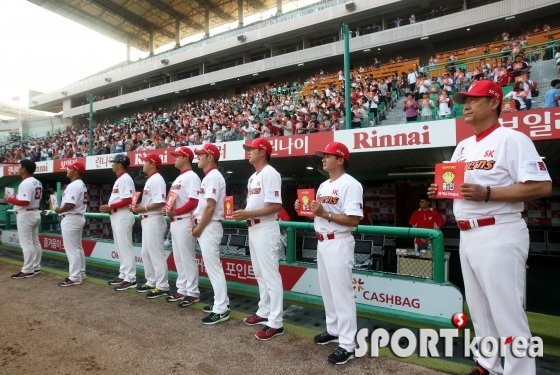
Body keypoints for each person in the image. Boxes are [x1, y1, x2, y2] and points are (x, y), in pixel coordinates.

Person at [428, 80, 551, 375]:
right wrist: (441, 190)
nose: (465, 105)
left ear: (494, 102)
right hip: (468, 234)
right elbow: (459, 187)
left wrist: (488, 194)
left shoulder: (513, 139)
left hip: (500, 230)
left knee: (508, 314)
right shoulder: (463, 146)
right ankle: (488, 366)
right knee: (480, 312)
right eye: (464, 100)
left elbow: (542, 187)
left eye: (474, 99)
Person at [294, 142, 363, 365]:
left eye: (327, 156)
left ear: (340, 159)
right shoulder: (323, 185)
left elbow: (353, 219)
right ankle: (333, 330)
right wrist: (305, 212)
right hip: (323, 241)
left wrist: (324, 213)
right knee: (328, 291)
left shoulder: (351, 184)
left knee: (342, 294)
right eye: (323, 157)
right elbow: (320, 216)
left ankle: (348, 345)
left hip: (339, 242)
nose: (323, 159)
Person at [233, 138, 284, 340]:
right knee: (261, 275)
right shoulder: (254, 176)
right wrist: (243, 213)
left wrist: (247, 214)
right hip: (254, 228)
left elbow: (275, 206)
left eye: (252, 149)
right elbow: (255, 205)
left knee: (270, 275)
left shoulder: (270, 173)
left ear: (262, 152)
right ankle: (264, 311)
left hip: (265, 227)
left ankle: (276, 322)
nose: (249, 152)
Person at [192, 143, 230, 325]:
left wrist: (199, 228)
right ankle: (220, 303)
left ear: (210, 157)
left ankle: (221, 309)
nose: (198, 157)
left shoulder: (213, 176)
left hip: (209, 225)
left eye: (201, 155)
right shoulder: (209, 176)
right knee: (212, 268)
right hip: (207, 225)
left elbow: (210, 206)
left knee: (214, 269)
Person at [163, 146, 201, 307]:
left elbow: (194, 201)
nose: (175, 158)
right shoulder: (179, 178)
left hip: (185, 220)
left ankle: (192, 292)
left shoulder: (192, 176)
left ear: (186, 158)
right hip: (175, 221)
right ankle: (182, 289)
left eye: (177, 156)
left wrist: (175, 211)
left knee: (187, 257)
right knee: (179, 258)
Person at [130, 153, 168, 298]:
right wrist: (139, 206)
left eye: (145, 161)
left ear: (152, 163)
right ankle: (151, 281)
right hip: (147, 218)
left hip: (154, 218)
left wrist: (143, 209)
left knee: (156, 253)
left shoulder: (157, 179)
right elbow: (151, 202)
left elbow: (160, 202)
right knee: (145, 252)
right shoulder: (150, 179)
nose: (143, 164)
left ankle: (162, 285)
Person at [100, 154, 137, 291]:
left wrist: (111, 207)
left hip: (122, 215)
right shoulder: (120, 179)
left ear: (120, 164)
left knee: (125, 248)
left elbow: (128, 199)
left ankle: (130, 278)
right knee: (120, 248)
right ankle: (123, 274)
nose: (112, 164)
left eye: (114, 162)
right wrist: (111, 208)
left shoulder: (125, 179)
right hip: (116, 215)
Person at [2, 160, 43, 279]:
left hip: (26, 214)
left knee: (27, 243)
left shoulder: (25, 183)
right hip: (34, 212)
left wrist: (9, 199)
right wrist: (15, 198)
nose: (18, 169)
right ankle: (35, 267)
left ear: (24, 169)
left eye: (20, 167)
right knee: (35, 242)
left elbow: (25, 202)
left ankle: (27, 269)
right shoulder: (37, 181)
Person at [55, 161, 87, 286]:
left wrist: (58, 209)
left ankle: (74, 277)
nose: (67, 170)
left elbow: (69, 205)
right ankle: (81, 273)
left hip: (72, 218)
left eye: (69, 168)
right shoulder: (80, 184)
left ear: (76, 171)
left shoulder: (75, 185)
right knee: (77, 248)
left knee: (72, 249)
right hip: (76, 217)